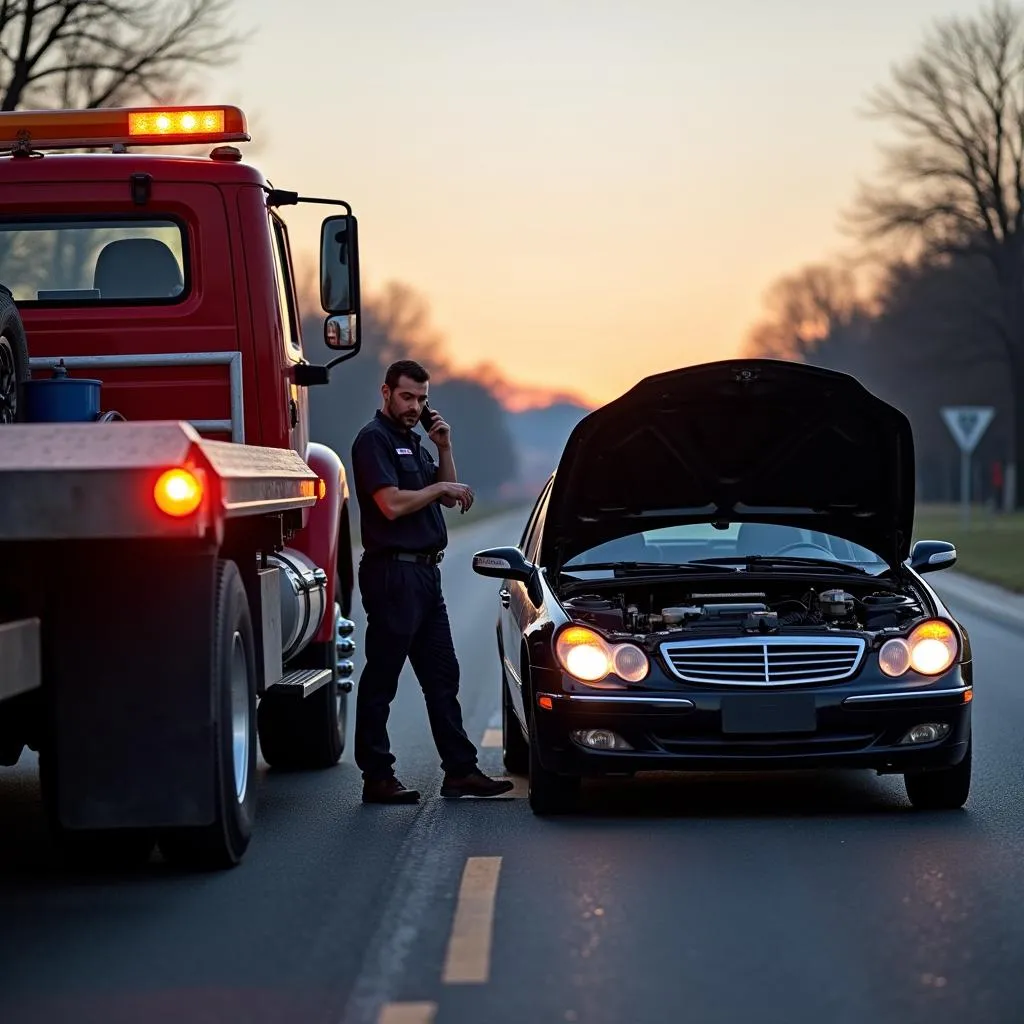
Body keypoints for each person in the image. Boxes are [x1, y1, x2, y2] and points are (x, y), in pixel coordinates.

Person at [350, 359, 515, 804]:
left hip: (426, 574)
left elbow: (447, 494)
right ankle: (377, 776)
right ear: (386, 393)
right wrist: (440, 491)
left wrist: (443, 447)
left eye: (422, 399)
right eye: (407, 397)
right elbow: (389, 503)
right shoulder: (374, 441)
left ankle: (460, 771)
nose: (415, 406)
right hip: (392, 573)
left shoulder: (416, 443)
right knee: (383, 676)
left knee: (443, 676)